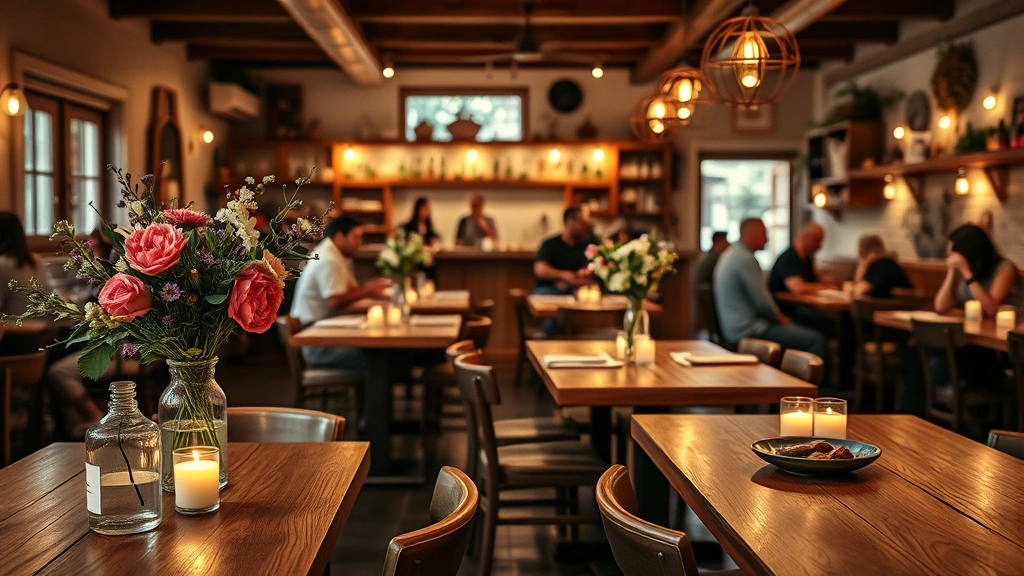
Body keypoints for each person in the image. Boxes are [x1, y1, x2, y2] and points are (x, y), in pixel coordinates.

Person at [713, 218, 825, 359]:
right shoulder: (745, 259)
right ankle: (807, 381)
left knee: (804, 326)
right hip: (748, 330)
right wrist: (781, 319)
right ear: (750, 234)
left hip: (733, 328)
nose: (767, 238)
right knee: (815, 339)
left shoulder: (732, 253)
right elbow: (763, 303)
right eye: (764, 233)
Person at [290, 216, 391, 370]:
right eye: (356, 237)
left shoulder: (338, 256)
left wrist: (370, 289)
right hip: (316, 344)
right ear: (339, 237)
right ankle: (374, 394)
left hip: (324, 334)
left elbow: (351, 291)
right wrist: (367, 290)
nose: (360, 243)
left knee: (377, 351)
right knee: (375, 357)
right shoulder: (329, 259)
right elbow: (335, 301)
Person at [934, 223, 1024, 317]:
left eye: (954, 254)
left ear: (969, 251)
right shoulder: (962, 269)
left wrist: (967, 273)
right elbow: (940, 307)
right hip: (974, 326)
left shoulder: (1004, 268)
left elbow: (991, 310)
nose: (952, 258)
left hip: (1007, 327)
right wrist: (951, 271)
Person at [533, 207, 598, 296]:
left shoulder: (591, 245)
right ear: (568, 221)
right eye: (582, 223)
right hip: (551, 290)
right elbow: (540, 270)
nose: (585, 227)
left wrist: (580, 278)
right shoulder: (550, 244)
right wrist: (565, 276)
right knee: (542, 293)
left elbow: (596, 270)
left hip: (580, 290)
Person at [768, 222, 833, 297]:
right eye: (817, 240)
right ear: (804, 237)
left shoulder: (807, 260)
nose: (820, 245)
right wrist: (825, 287)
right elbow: (798, 288)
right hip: (787, 307)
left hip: (804, 304)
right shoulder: (788, 259)